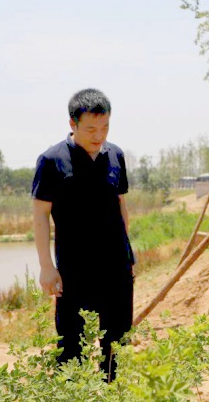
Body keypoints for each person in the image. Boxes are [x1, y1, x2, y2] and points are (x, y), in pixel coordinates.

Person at [31, 88, 134, 382]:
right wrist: (46, 266)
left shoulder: (115, 155)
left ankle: (113, 395)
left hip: (116, 267)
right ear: (72, 124)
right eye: (90, 129)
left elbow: (121, 206)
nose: (98, 135)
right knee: (71, 347)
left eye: (105, 128)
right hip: (74, 270)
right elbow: (40, 216)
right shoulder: (51, 160)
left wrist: (129, 255)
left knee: (116, 345)